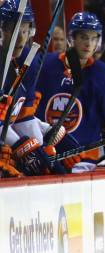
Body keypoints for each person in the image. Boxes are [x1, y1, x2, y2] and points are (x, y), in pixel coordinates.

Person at [35, 12, 105, 170]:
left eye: (93, 38)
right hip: (40, 154)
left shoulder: (104, 76)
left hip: (83, 161)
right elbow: (26, 110)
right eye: (84, 37)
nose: (89, 44)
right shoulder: (45, 65)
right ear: (72, 38)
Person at [0, 0, 67, 177]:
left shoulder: (28, 61)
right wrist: (20, 146)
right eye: (14, 30)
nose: (21, 38)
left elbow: (23, 117)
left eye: (25, 30)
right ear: (2, 31)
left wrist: (39, 148)